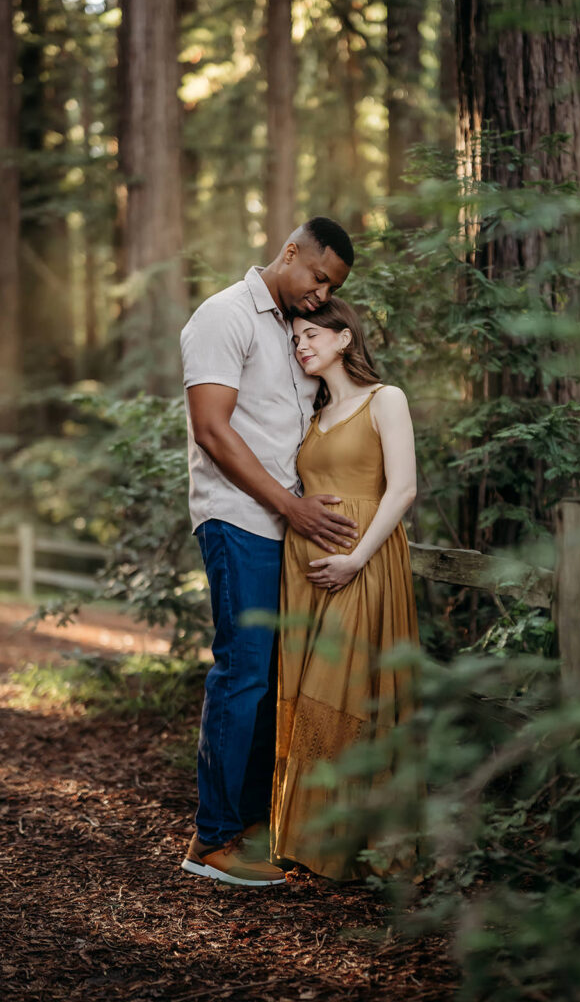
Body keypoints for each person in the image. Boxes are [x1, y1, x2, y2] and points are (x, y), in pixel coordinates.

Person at [179, 218, 357, 887]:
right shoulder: (223, 315)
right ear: (289, 253)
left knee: (274, 677)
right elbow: (212, 431)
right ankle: (214, 840)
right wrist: (290, 507)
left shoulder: (292, 332)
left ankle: (250, 824)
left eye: (331, 289)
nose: (319, 295)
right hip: (239, 521)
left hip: (288, 530)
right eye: (316, 277)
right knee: (244, 670)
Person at [271, 297, 419, 880]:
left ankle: (357, 848)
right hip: (305, 574)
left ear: (343, 337)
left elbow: (402, 489)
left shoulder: (386, 400)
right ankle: (307, 839)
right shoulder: (311, 414)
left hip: (362, 564)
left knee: (348, 693)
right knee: (307, 695)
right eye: (296, 338)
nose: (301, 345)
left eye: (311, 334)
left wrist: (355, 559)